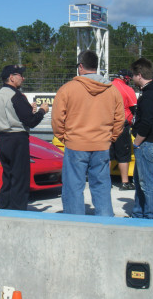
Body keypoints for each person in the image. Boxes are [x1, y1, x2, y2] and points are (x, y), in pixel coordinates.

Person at [52, 50, 124, 216]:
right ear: (96, 66)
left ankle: (75, 223)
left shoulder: (67, 89)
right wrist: (110, 138)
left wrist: (65, 138)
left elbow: (57, 119)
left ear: (81, 66)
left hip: (75, 144)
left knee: (73, 187)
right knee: (102, 186)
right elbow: (120, 119)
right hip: (101, 145)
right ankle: (105, 222)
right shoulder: (112, 90)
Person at [0, 64, 49, 210]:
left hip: (3, 138)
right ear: (11, 77)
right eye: (20, 75)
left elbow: (16, 114)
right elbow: (31, 121)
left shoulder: (0, 94)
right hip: (17, 139)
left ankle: (4, 207)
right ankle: (18, 211)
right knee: (20, 178)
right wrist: (42, 111)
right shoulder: (15, 96)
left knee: (8, 176)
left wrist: (29, 110)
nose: (23, 78)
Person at [129, 58, 153, 219]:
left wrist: (136, 143)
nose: (131, 79)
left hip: (148, 143)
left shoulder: (149, 95)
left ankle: (151, 216)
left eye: (133, 76)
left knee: (146, 182)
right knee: (139, 181)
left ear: (139, 75)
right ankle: (138, 213)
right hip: (150, 142)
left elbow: (146, 123)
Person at [110, 69, 138, 191]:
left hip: (106, 125)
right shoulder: (127, 89)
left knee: (108, 155)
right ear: (126, 78)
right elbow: (135, 108)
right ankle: (125, 182)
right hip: (122, 125)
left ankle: (105, 181)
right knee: (123, 155)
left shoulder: (107, 86)